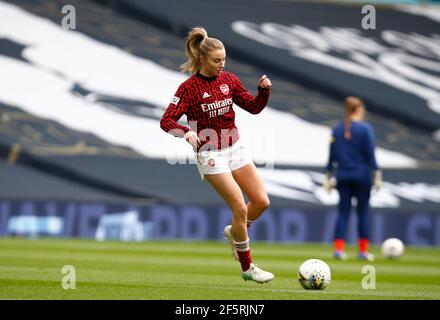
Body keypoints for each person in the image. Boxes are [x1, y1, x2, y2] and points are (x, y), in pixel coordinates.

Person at [160, 27, 274, 283]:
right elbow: (166, 120)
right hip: (210, 153)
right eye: (216, 60)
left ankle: (235, 232)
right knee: (238, 208)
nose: (222, 64)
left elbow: (254, 108)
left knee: (261, 201)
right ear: (202, 60)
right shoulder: (188, 88)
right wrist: (184, 132)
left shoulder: (229, 81)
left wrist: (263, 91)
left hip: (235, 148)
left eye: (224, 59)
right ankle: (247, 268)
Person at [324, 96, 382, 261]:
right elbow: (370, 154)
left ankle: (338, 249)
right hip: (362, 175)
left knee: (343, 212)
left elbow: (331, 155)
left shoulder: (337, 129)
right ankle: (363, 251)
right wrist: (376, 172)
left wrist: (328, 174)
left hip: (342, 176)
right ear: (358, 110)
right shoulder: (365, 129)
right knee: (363, 213)